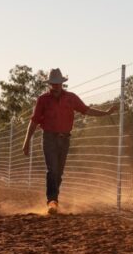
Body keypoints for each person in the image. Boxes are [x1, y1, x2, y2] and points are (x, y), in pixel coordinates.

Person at [22, 68, 118, 214]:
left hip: (65, 139)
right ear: (49, 84)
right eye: (53, 83)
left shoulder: (71, 98)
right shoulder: (43, 99)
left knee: (59, 173)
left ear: (62, 83)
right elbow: (34, 121)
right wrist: (26, 141)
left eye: (58, 83)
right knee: (52, 170)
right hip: (49, 138)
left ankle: (54, 200)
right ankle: (52, 201)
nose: (56, 86)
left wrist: (105, 113)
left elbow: (86, 110)